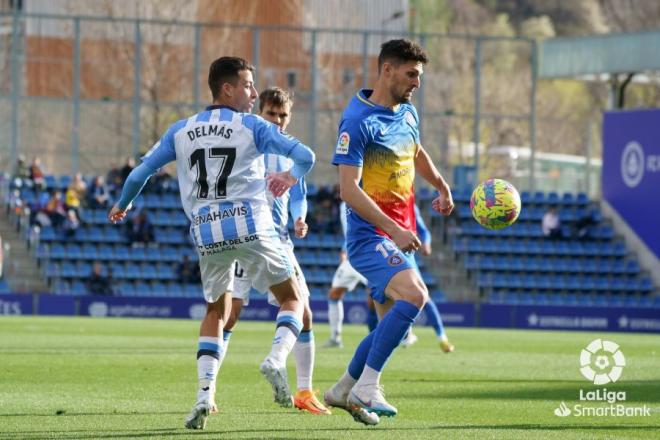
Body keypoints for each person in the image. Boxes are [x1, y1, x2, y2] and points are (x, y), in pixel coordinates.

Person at [108, 56, 315, 431]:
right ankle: (275, 359)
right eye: (248, 85)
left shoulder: (181, 130)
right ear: (228, 89)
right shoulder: (252, 126)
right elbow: (306, 157)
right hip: (253, 227)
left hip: (207, 233)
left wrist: (123, 205)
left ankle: (204, 395)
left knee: (215, 313)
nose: (253, 93)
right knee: (293, 300)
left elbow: (141, 172)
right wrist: (289, 176)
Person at [323, 39, 454, 424]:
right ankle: (368, 385)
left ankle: (343, 389)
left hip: (399, 236)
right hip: (370, 237)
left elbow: (415, 150)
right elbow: (348, 190)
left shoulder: (408, 112)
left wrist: (442, 186)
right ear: (387, 70)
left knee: (388, 327)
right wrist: (394, 228)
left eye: (419, 75)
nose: (417, 82)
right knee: (416, 296)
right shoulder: (357, 121)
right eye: (411, 74)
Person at [216, 87, 330, 416]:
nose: (278, 121)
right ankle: (292, 378)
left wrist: (299, 217)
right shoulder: (248, 143)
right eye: (271, 114)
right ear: (259, 113)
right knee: (242, 313)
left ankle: (303, 391)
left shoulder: (288, 152)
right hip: (262, 239)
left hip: (267, 237)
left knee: (238, 314)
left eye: (283, 115)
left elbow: (299, 193)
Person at [398, 204, 454, 353]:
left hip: (405, 257)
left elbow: (423, 231)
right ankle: (405, 334)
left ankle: (442, 337)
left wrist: (427, 243)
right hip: (381, 253)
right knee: (374, 300)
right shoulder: (377, 198)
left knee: (424, 297)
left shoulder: (409, 205)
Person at [323, 201, 368, 349]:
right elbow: (350, 230)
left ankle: (406, 333)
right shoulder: (343, 204)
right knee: (334, 293)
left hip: (368, 254)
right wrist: (345, 249)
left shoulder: (366, 197)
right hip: (351, 256)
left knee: (381, 295)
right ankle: (335, 337)